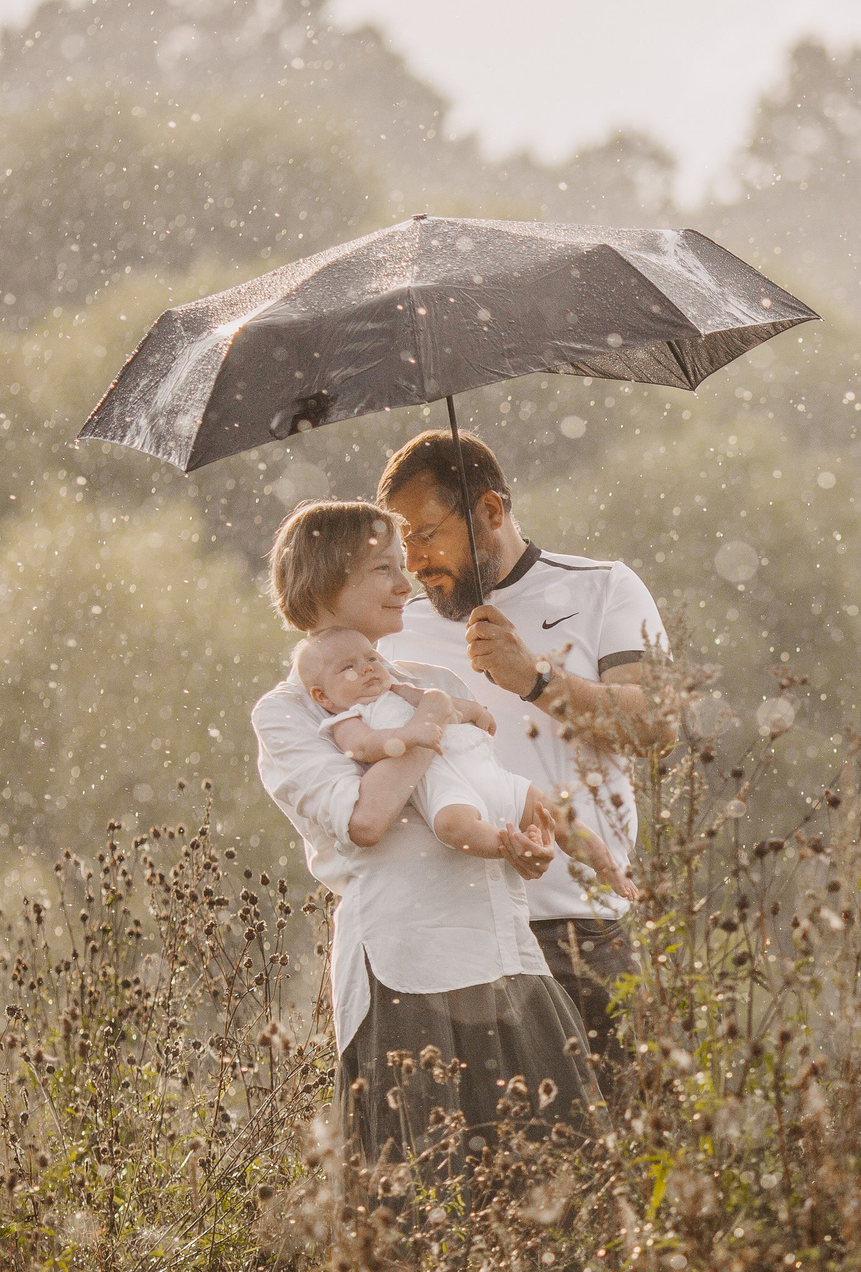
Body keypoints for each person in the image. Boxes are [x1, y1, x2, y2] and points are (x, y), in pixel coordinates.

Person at [251, 499, 602, 1179]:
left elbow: (480, 790)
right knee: (421, 1199)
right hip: (406, 970)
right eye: (383, 568)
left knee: (561, 1183)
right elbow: (366, 819)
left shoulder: (435, 682)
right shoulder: (290, 712)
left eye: (402, 565)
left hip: (502, 953)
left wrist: (520, 843)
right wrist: (428, 725)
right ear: (327, 580)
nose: (405, 583)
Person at [376, 430, 670, 1095]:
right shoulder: (396, 629)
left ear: (491, 511)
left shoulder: (603, 589)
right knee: (481, 1179)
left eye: (428, 532)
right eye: (403, 543)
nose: (415, 561)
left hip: (579, 930)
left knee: (612, 1153)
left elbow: (657, 725)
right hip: (453, 938)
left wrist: (535, 678)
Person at [294, 626, 617, 875]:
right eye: (349, 667)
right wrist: (409, 735)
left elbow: (446, 706)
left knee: (556, 813)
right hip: (450, 791)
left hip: (488, 774)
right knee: (455, 827)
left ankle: (607, 865)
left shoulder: (402, 689)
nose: (367, 669)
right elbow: (362, 747)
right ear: (323, 696)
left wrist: (472, 711)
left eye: (371, 659)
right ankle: (510, 844)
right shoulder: (349, 718)